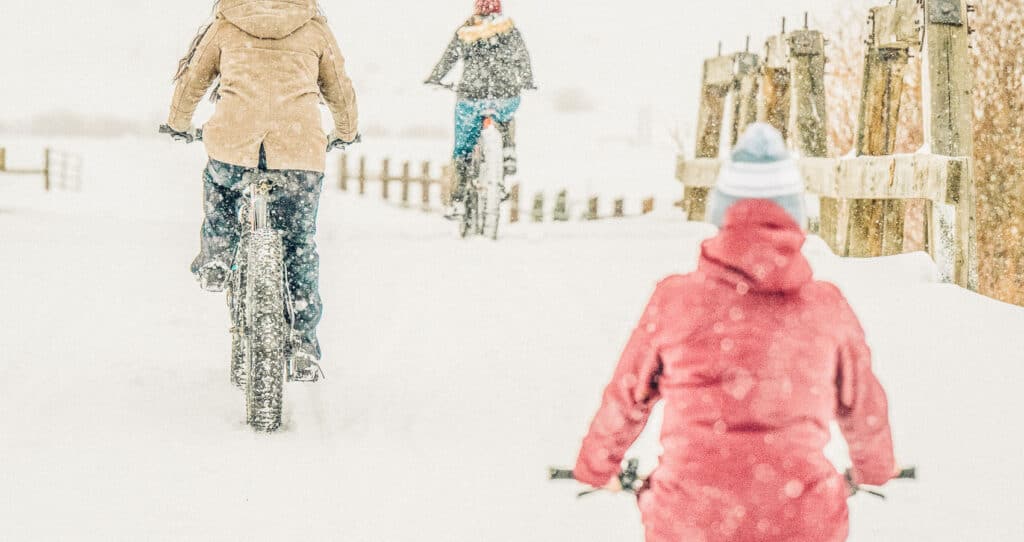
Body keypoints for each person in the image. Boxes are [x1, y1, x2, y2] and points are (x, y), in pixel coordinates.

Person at [573, 124, 899, 541]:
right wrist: (875, 469)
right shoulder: (825, 307)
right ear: (795, 213)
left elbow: (628, 395)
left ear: (721, 212)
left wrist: (597, 465)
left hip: (690, 521)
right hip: (800, 522)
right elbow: (863, 407)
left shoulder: (674, 300)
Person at [163, 0, 358, 381]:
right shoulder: (314, 28)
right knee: (299, 243)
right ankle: (302, 341)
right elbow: (338, 87)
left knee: (220, 185)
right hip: (299, 152)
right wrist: (347, 132)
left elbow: (193, 81)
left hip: (234, 145)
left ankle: (218, 256)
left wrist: (178, 123)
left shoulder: (226, 23)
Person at [424, 0, 536, 217]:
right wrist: (526, 80)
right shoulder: (509, 30)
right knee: (506, 117)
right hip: (504, 95)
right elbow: (522, 57)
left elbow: (448, 58)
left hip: (471, 98)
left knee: (462, 150)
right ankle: (508, 150)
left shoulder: (466, 31)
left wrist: (434, 78)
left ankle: (456, 200)